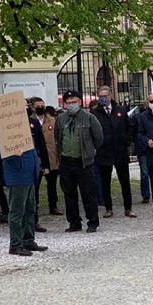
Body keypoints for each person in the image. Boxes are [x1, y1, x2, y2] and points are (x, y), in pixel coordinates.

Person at [55, 91, 104, 233]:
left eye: (74, 102)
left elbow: (98, 138)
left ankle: (92, 221)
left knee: (88, 193)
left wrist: (89, 150)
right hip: (66, 162)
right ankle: (74, 222)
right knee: (69, 194)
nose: (71, 105)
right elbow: (57, 136)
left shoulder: (89, 118)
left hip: (83, 162)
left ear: (80, 102)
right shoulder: (61, 118)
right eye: (69, 102)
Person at [0, 123, 48, 257]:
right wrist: (12, 153)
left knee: (30, 209)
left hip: (30, 175)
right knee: (17, 211)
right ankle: (15, 244)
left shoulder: (26, 131)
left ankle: (28, 240)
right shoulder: (6, 133)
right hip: (17, 177)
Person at [91, 86, 136, 219]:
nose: (103, 98)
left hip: (120, 151)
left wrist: (126, 141)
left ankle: (128, 208)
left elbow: (130, 128)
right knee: (105, 182)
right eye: (100, 96)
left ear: (110, 96)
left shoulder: (120, 110)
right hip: (104, 152)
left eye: (105, 96)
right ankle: (108, 208)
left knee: (125, 182)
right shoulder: (95, 113)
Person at [130, 98, 153, 205]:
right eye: (151, 103)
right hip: (143, 148)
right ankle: (146, 195)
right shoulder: (139, 117)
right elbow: (136, 133)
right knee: (145, 173)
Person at [25, 101, 50, 233]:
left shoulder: (33, 124)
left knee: (34, 194)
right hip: (17, 167)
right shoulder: (10, 126)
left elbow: (42, 145)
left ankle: (34, 221)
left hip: (34, 164)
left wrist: (45, 165)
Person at [36, 103, 62, 216]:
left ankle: (53, 206)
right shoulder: (29, 121)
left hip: (51, 156)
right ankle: (34, 207)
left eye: (42, 105)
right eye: (38, 106)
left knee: (52, 184)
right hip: (37, 158)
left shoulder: (52, 120)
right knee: (35, 185)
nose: (40, 107)